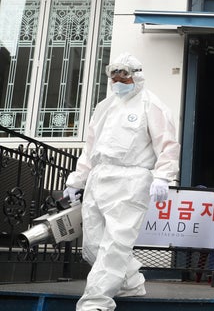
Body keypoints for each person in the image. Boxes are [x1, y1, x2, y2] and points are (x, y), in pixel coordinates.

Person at [63, 52, 181, 311]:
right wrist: (77, 180)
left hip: (131, 180)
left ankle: (96, 302)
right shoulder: (105, 107)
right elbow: (91, 147)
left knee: (115, 243)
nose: (117, 81)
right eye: (113, 76)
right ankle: (129, 282)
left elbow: (168, 145)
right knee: (93, 246)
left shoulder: (152, 105)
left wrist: (163, 176)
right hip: (98, 178)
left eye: (123, 76)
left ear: (137, 76)